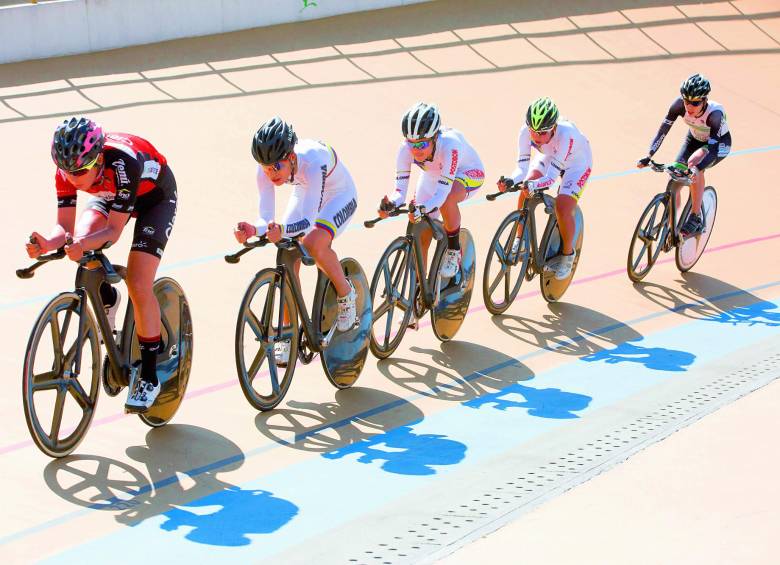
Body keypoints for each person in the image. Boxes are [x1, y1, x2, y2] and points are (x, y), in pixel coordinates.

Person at [26, 117, 178, 412]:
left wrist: (82, 245)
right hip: (109, 196)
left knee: (138, 280)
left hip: (153, 200)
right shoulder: (68, 171)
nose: (72, 179)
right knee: (82, 240)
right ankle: (107, 297)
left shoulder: (123, 164)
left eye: (80, 172)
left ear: (98, 160)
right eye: (67, 171)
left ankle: (148, 375)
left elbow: (112, 232)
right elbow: (65, 231)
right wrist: (46, 243)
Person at [234, 117, 358, 366]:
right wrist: (253, 228)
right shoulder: (268, 169)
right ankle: (289, 330)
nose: (271, 174)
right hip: (306, 190)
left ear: (291, 156)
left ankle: (347, 294)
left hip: (339, 195)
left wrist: (282, 229)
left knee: (313, 243)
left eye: (276, 167)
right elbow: (266, 218)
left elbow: (307, 221)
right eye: (266, 168)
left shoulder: (312, 161)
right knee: (288, 253)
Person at [378, 102, 485, 278]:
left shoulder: (450, 145)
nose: (415, 150)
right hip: (434, 175)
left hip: (466, 172)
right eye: (411, 144)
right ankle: (421, 287)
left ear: (435, 137)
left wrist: (423, 208)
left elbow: (442, 194)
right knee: (419, 229)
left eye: (421, 145)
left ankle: (454, 250)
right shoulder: (405, 150)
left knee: (447, 200)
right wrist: (389, 204)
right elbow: (400, 192)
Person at [498, 97, 592, 280]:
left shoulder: (567, 135)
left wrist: (532, 184)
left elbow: (551, 178)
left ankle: (567, 255)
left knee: (563, 207)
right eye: (533, 132)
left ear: (554, 128)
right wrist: (511, 179)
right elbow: (522, 168)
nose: (536, 138)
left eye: (542, 133)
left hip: (577, 164)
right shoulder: (525, 132)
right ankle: (520, 240)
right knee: (526, 187)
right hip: (551, 156)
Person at [638, 73, 731, 236]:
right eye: (687, 101)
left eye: (695, 103)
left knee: (694, 165)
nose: (689, 106)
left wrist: (697, 168)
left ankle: (695, 217)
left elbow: (712, 148)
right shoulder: (678, 106)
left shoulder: (715, 114)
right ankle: (670, 221)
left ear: (704, 100)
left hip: (717, 144)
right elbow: (662, 132)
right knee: (674, 177)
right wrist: (649, 155)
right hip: (693, 139)